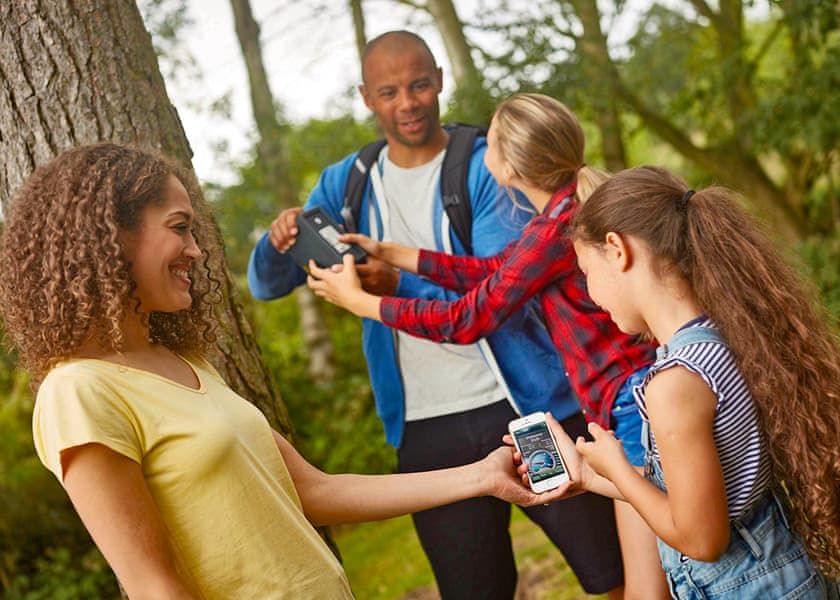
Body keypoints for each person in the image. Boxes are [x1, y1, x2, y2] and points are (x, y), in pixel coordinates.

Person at [0, 142, 568, 600]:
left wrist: (480, 477)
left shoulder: (184, 363)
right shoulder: (78, 392)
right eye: (179, 227)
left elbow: (314, 489)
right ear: (113, 237)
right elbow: (154, 586)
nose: (197, 251)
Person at [248, 32, 625, 599]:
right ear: (367, 97)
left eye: (419, 84)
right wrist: (279, 241)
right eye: (389, 90)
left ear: (440, 80)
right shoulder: (346, 182)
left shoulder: (486, 165)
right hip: (428, 430)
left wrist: (384, 291)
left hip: (522, 408)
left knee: (609, 573)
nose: (408, 102)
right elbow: (264, 283)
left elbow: (495, 293)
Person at [307, 92, 668, 598]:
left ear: (510, 163)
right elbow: (492, 274)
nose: (480, 150)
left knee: (649, 589)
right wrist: (392, 253)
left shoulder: (557, 228)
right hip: (628, 406)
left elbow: (468, 316)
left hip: (631, 411)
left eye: (489, 142)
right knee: (655, 584)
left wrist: (362, 304)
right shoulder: (559, 217)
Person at [547, 165, 839, 597]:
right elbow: (693, 493)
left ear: (617, 250)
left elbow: (702, 539)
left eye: (585, 271)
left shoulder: (675, 384)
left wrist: (622, 474)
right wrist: (592, 476)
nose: (591, 295)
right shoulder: (721, 338)